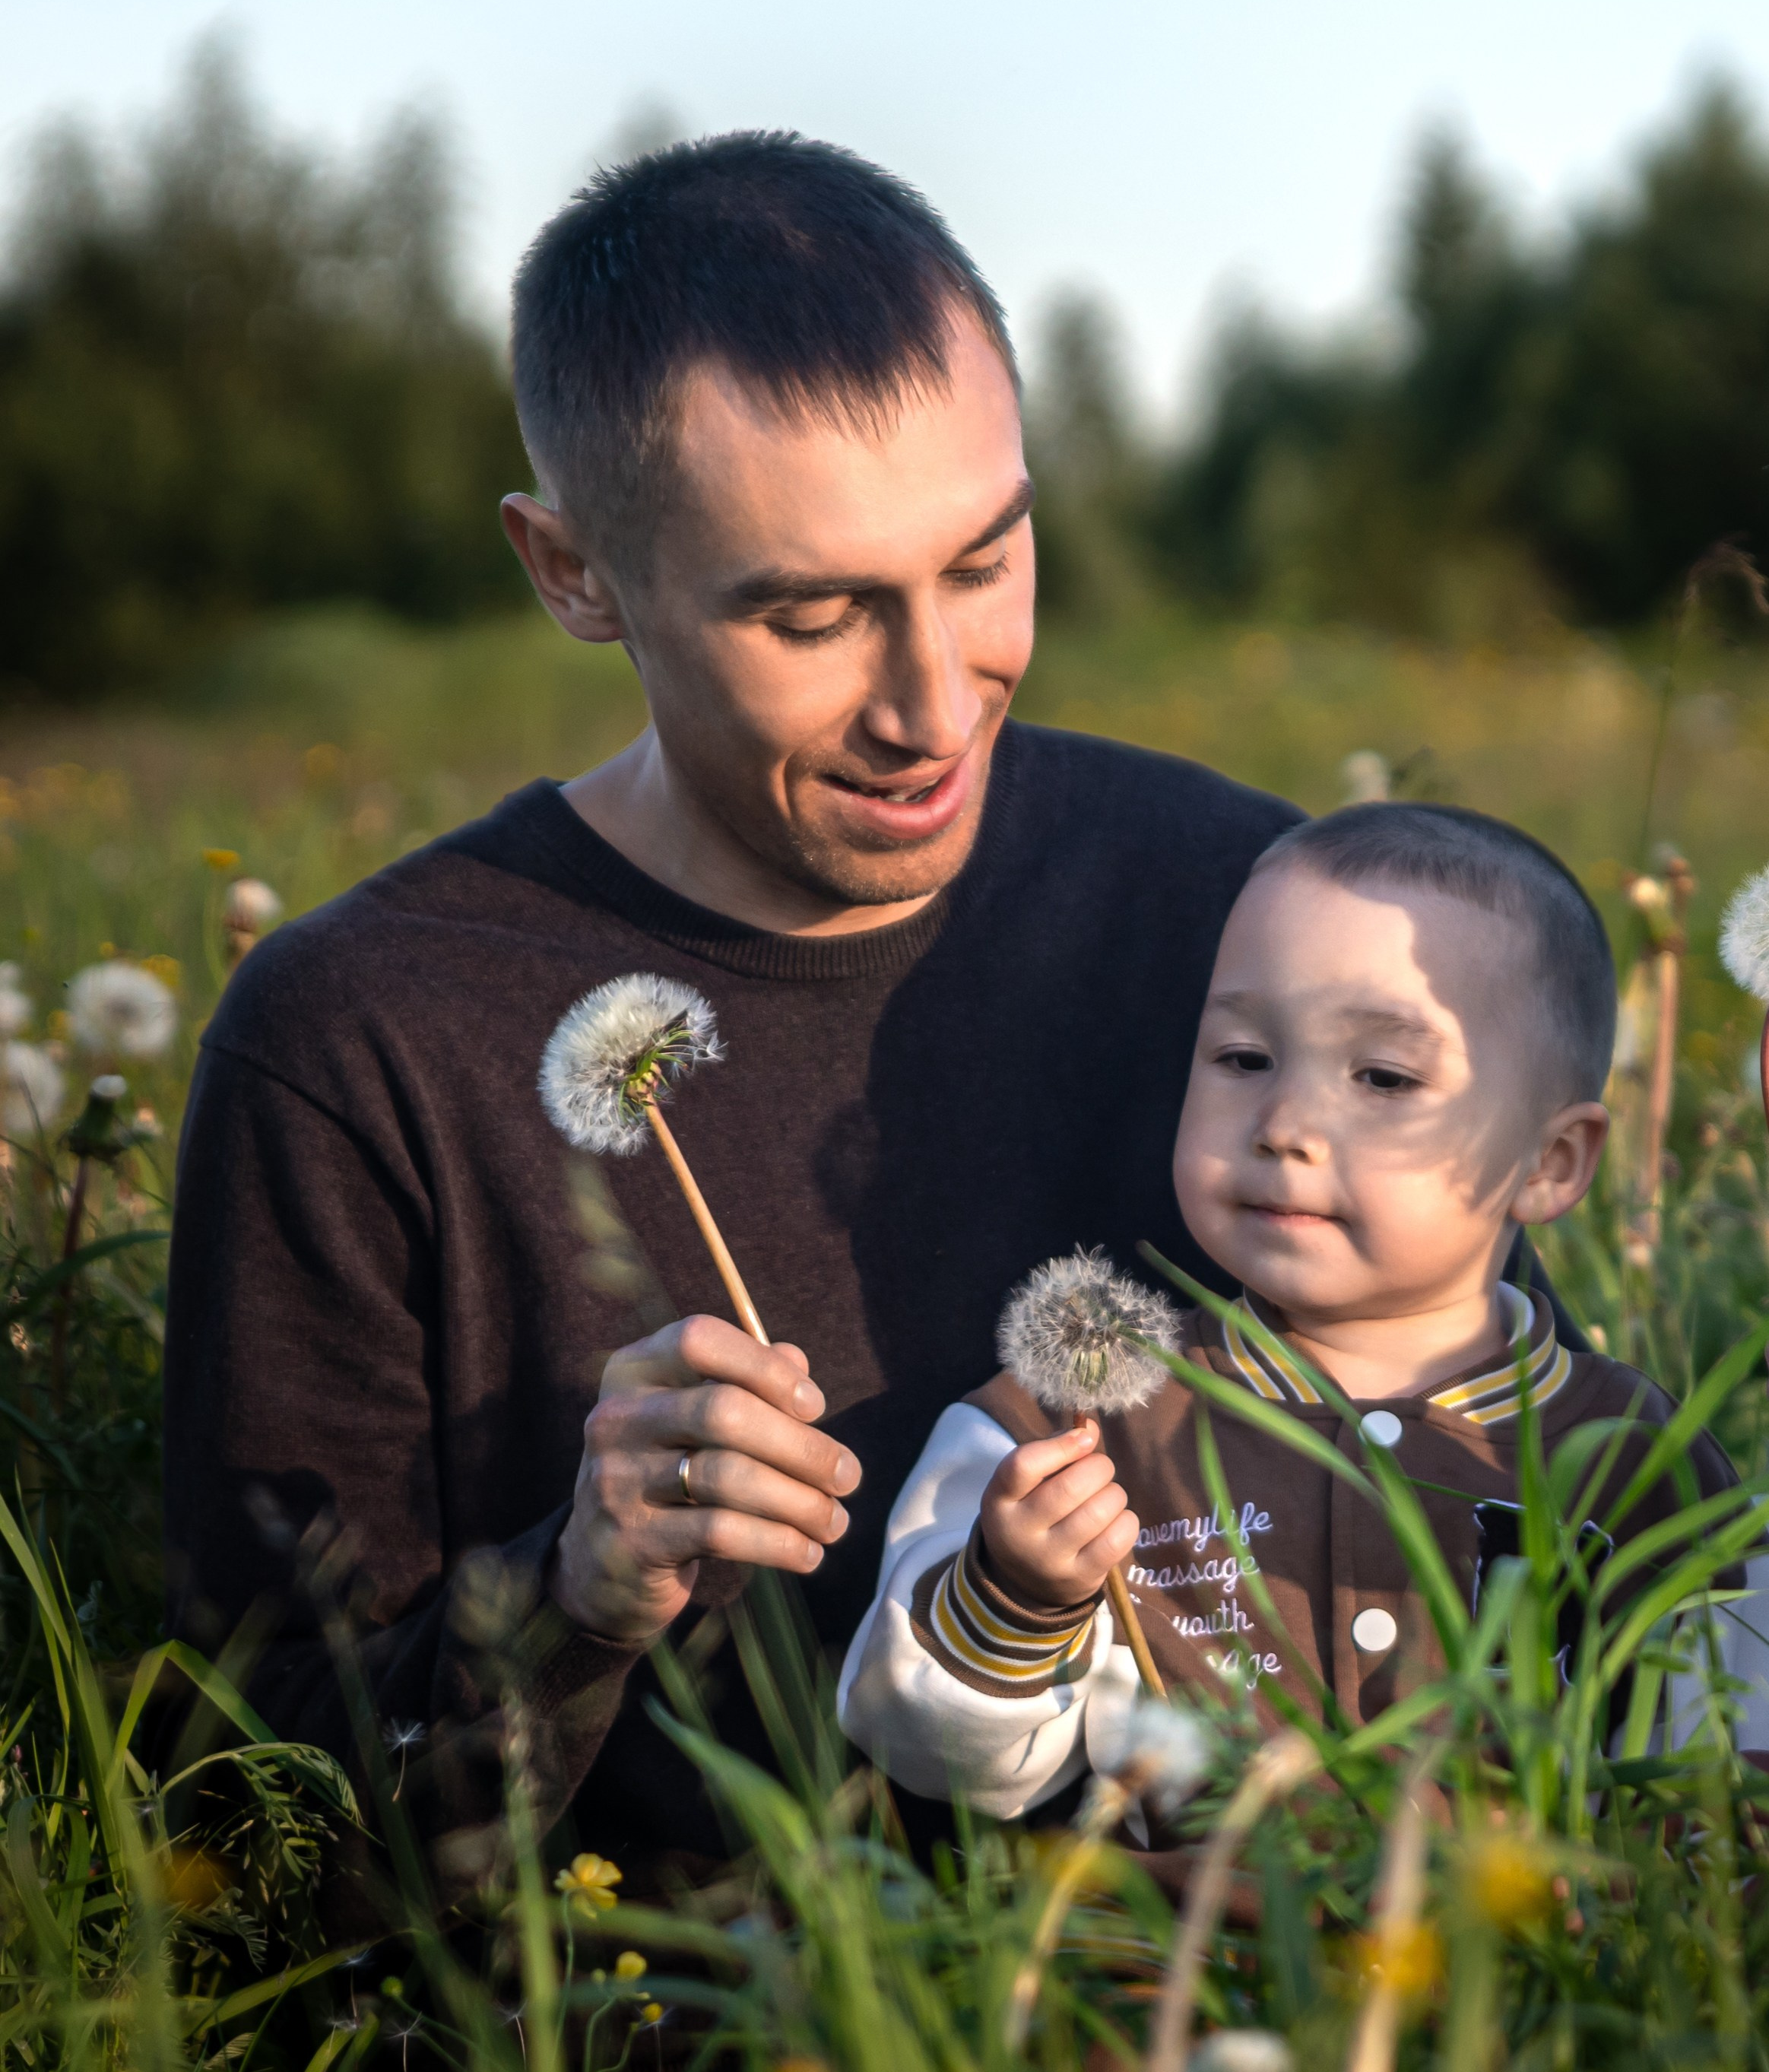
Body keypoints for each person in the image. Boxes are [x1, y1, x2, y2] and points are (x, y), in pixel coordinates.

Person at [160, 132, 1301, 1899]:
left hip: (1247, 2024)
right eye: (814, 616)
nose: (936, 705)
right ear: (572, 573)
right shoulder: (355, 1041)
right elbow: (251, 1823)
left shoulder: (1249, 906)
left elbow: (1499, 1480)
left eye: (987, 566)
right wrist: (569, 1596)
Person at [838, 804, 1754, 1822]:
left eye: (1383, 1077)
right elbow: (926, 1751)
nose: (1285, 1125)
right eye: (1243, 1058)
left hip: (1530, 1961)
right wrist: (1014, 1597)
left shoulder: (1642, 1461)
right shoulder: (1071, 1428)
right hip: (1175, 1971)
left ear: (1550, 1164)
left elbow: (1731, 1785)